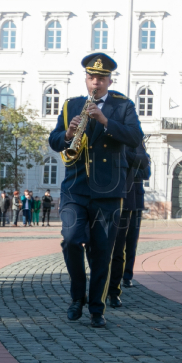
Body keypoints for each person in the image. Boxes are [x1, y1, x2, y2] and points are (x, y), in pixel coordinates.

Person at [49, 52, 143, 328]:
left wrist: (104, 120)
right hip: (75, 188)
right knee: (70, 240)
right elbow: (54, 140)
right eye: (92, 78)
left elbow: (135, 137)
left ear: (109, 80)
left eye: (101, 78)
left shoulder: (122, 106)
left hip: (109, 191)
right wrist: (67, 134)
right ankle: (77, 297)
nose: (96, 83)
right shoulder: (70, 106)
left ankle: (96, 308)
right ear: (86, 79)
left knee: (102, 252)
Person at [106, 141, 150, 308]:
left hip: (131, 200)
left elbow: (145, 170)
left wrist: (127, 160)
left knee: (128, 243)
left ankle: (124, 278)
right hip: (105, 192)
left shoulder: (133, 141)